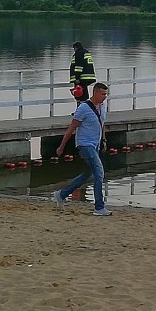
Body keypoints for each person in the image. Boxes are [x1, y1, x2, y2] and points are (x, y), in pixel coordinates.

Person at [52, 82, 112, 216]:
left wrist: (103, 140)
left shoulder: (102, 107)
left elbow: (101, 125)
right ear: (95, 93)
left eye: (106, 94)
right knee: (99, 172)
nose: (105, 97)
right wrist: (61, 146)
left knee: (87, 174)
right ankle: (99, 207)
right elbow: (71, 128)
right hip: (85, 145)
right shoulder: (83, 108)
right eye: (103, 94)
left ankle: (61, 194)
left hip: (95, 145)